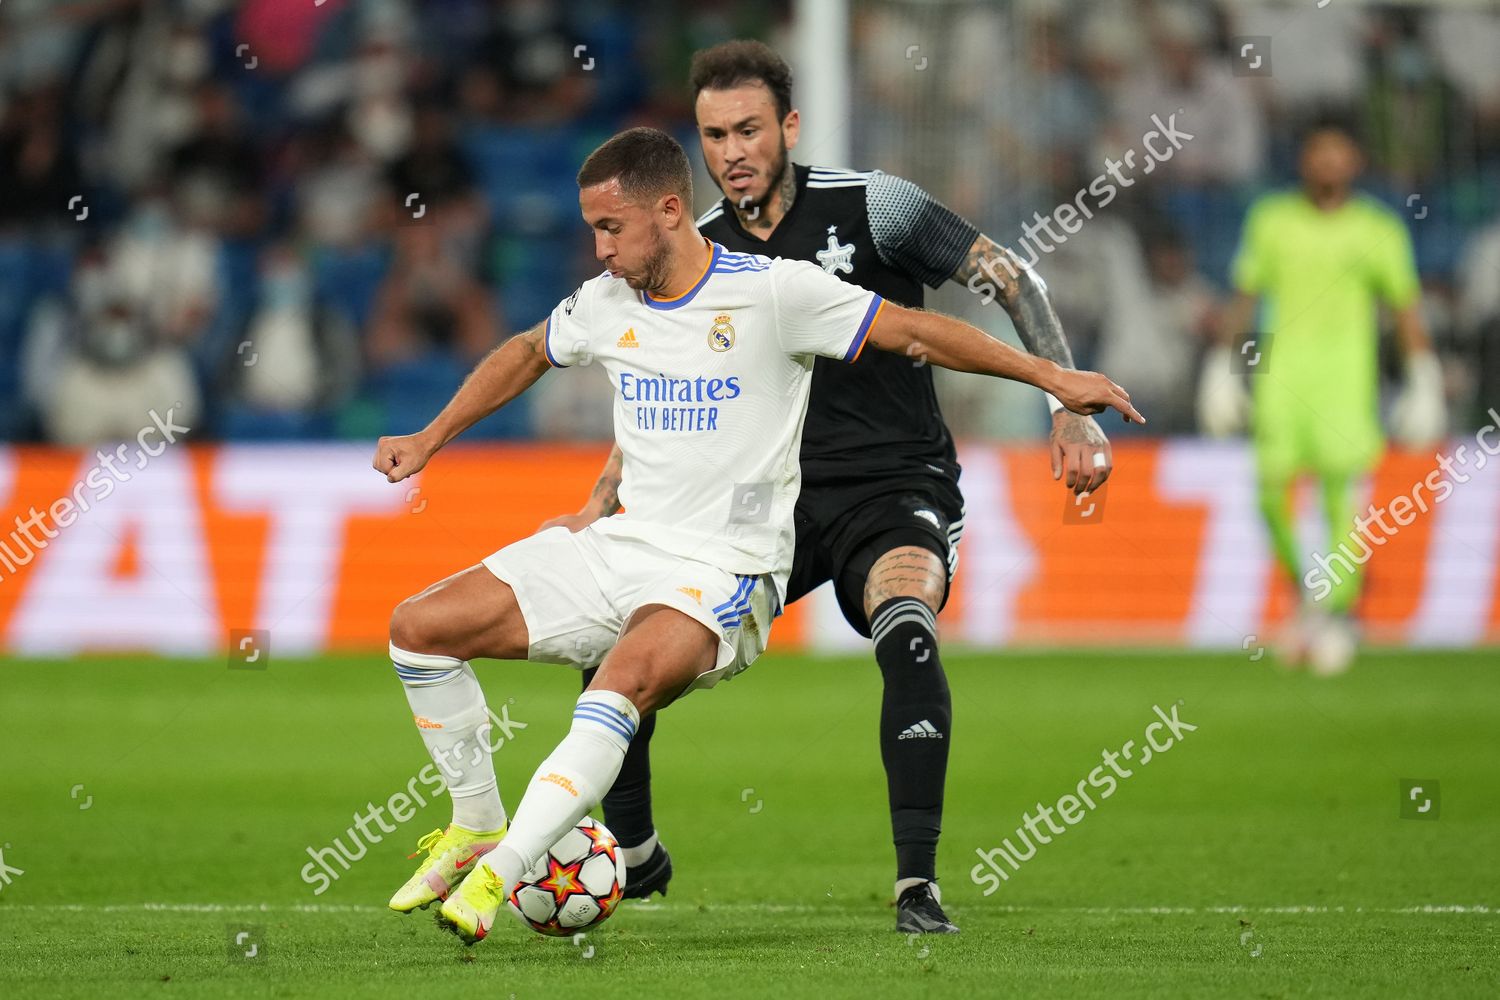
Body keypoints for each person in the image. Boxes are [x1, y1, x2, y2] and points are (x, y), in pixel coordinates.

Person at [372, 126, 1142, 944]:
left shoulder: (776, 292)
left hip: (721, 568)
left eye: (610, 228)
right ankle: (480, 823)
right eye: (592, 229)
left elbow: (917, 333)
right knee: (417, 630)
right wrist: (430, 437)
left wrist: (1055, 381)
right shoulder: (606, 304)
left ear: (669, 212)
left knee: (618, 687)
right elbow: (528, 351)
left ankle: (503, 872)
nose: (597, 249)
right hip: (624, 545)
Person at [546, 40, 1115, 934]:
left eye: (748, 129)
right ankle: (637, 847)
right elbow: (652, 382)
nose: (731, 151)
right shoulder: (700, 254)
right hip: (766, 503)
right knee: (612, 637)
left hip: (895, 487)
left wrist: (1067, 402)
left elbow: (1010, 275)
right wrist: (605, 493)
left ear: (790, 127)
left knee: (907, 630)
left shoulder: (874, 205)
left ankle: (916, 886)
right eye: (713, 135)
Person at [1198, 120, 1443, 674]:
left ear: (1354, 160)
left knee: (1343, 508)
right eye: (1319, 151)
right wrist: (1222, 367)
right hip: (1280, 383)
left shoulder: (1377, 228)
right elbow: (1245, 298)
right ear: (1304, 159)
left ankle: (1334, 616)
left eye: (1339, 151)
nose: (1329, 161)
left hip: (1346, 388)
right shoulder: (1272, 220)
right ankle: (1308, 594)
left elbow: (1405, 308)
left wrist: (1422, 375)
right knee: (1268, 497)